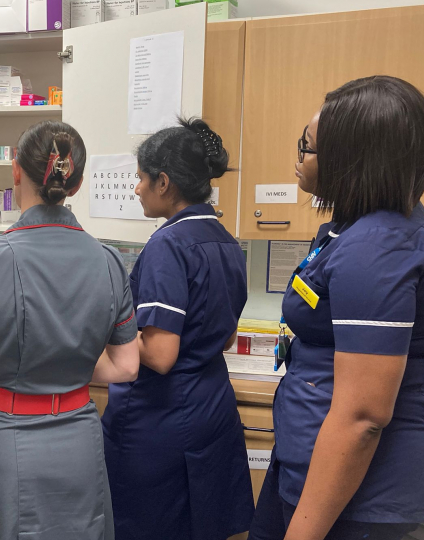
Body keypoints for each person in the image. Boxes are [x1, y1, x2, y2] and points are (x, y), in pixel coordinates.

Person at [248, 75, 424, 540]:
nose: (299, 157)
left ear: (351, 160)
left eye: (307, 147)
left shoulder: (378, 248)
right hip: (311, 465)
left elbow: (362, 417)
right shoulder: (353, 230)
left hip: (358, 497)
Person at [0, 120, 140, 540]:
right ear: (75, 186)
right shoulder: (110, 261)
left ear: (16, 172)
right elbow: (127, 365)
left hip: (2, 443)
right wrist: (65, 359)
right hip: (78, 441)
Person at [103, 118, 255, 540]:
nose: (136, 189)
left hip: (161, 419)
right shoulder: (226, 240)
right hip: (213, 409)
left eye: (140, 180)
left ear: (164, 182)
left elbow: (160, 354)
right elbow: (224, 337)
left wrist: (106, 329)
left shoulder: (168, 244)